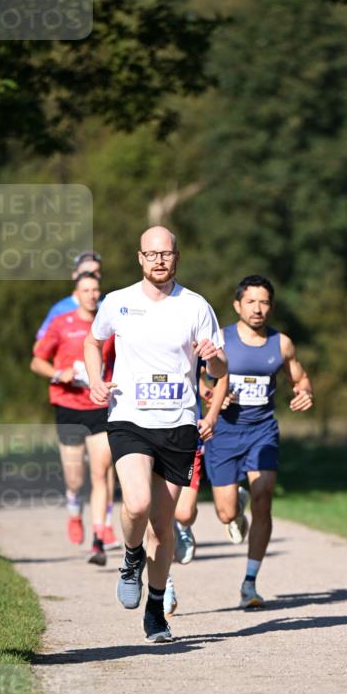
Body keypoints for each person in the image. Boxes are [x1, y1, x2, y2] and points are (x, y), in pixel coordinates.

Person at [84, 226, 227, 643]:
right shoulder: (118, 303)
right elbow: (94, 343)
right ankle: (131, 560)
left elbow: (219, 371)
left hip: (179, 422)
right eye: (151, 254)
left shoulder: (196, 306)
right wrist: (96, 380)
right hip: (129, 415)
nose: (159, 260)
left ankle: (155, 610)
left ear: (176, 258)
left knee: (163, 529)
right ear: (139, 258)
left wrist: (214, 358)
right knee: (137, 502)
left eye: (166, 254)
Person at [204, 275, 313, 609]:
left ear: (271, 307)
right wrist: (211, 396)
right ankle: (234, 509)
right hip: (224, 432)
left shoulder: (281, 344)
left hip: (262, 430)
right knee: (225, 514)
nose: (258, 308)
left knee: (263, 495)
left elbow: (300, 376)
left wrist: (305, 392)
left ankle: (250, 583)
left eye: (264, 302)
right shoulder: (219, 339)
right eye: (250, 301)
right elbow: (195, 377)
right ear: (238, 305)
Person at [34, 251, 120, 550]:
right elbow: (37, 360)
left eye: (96, 290)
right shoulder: (61, 319)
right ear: (76, 291)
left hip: (99, 405)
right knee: (75, 478)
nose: (92, 295)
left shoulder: (109, 321)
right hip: (68, 405)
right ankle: (74, 511)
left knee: (102, 469)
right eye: (86, 290)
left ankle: (101, 530)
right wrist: (60, 373)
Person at [172, 367, 229, 565]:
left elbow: (219, 372)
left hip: (187, 434)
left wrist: (211, 415)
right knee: (148, 507)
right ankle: (162, 587)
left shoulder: (194, 339)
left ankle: (182, 526)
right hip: (146, 431)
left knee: (184, 514)